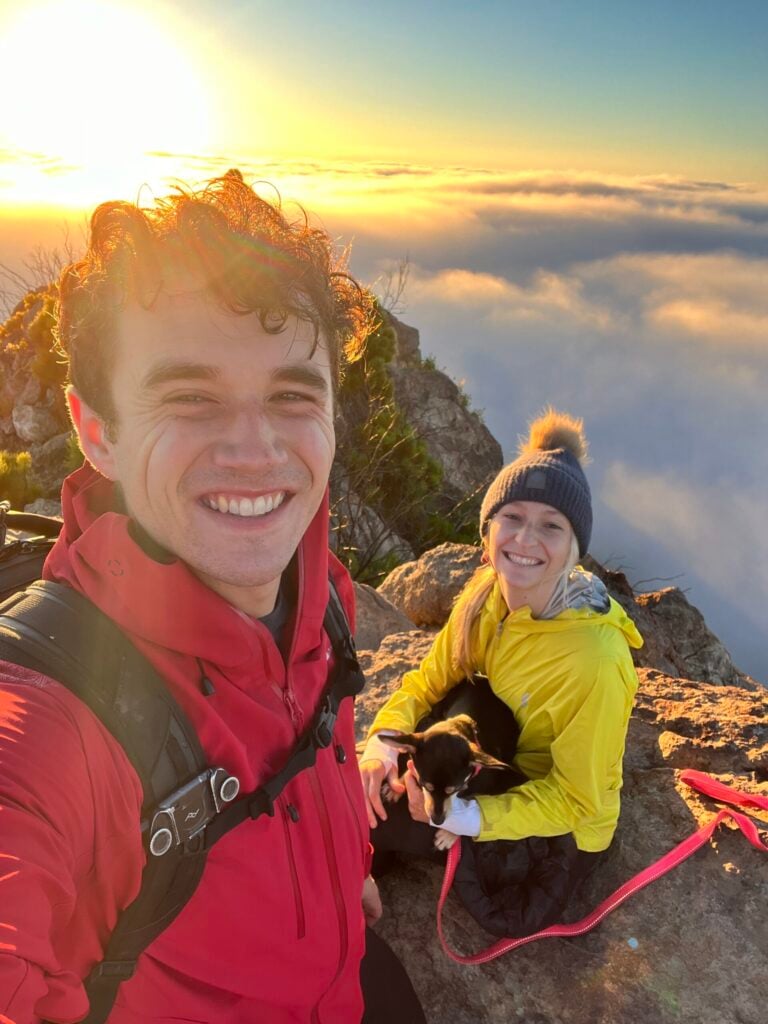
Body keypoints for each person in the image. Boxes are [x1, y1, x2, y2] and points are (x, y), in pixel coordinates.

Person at [0, 171, 424, 1023]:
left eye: (292, 394)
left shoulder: (317, 592)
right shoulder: (55, 726)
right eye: (189, 396)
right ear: (98, 432)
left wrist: (346, 875)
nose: (254, 449)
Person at [359, 409, 643, 937]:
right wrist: (381, 747)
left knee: (375, 818)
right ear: (489, 528)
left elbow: (576, 800)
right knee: (368, 789)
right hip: (499, 756)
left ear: (575, 548)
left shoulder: (594, 662)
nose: (525, 540)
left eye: (551, 526)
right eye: (512, 517)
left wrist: (469, 819)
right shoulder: (488, 596)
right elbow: (428, 681)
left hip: (552, 818)